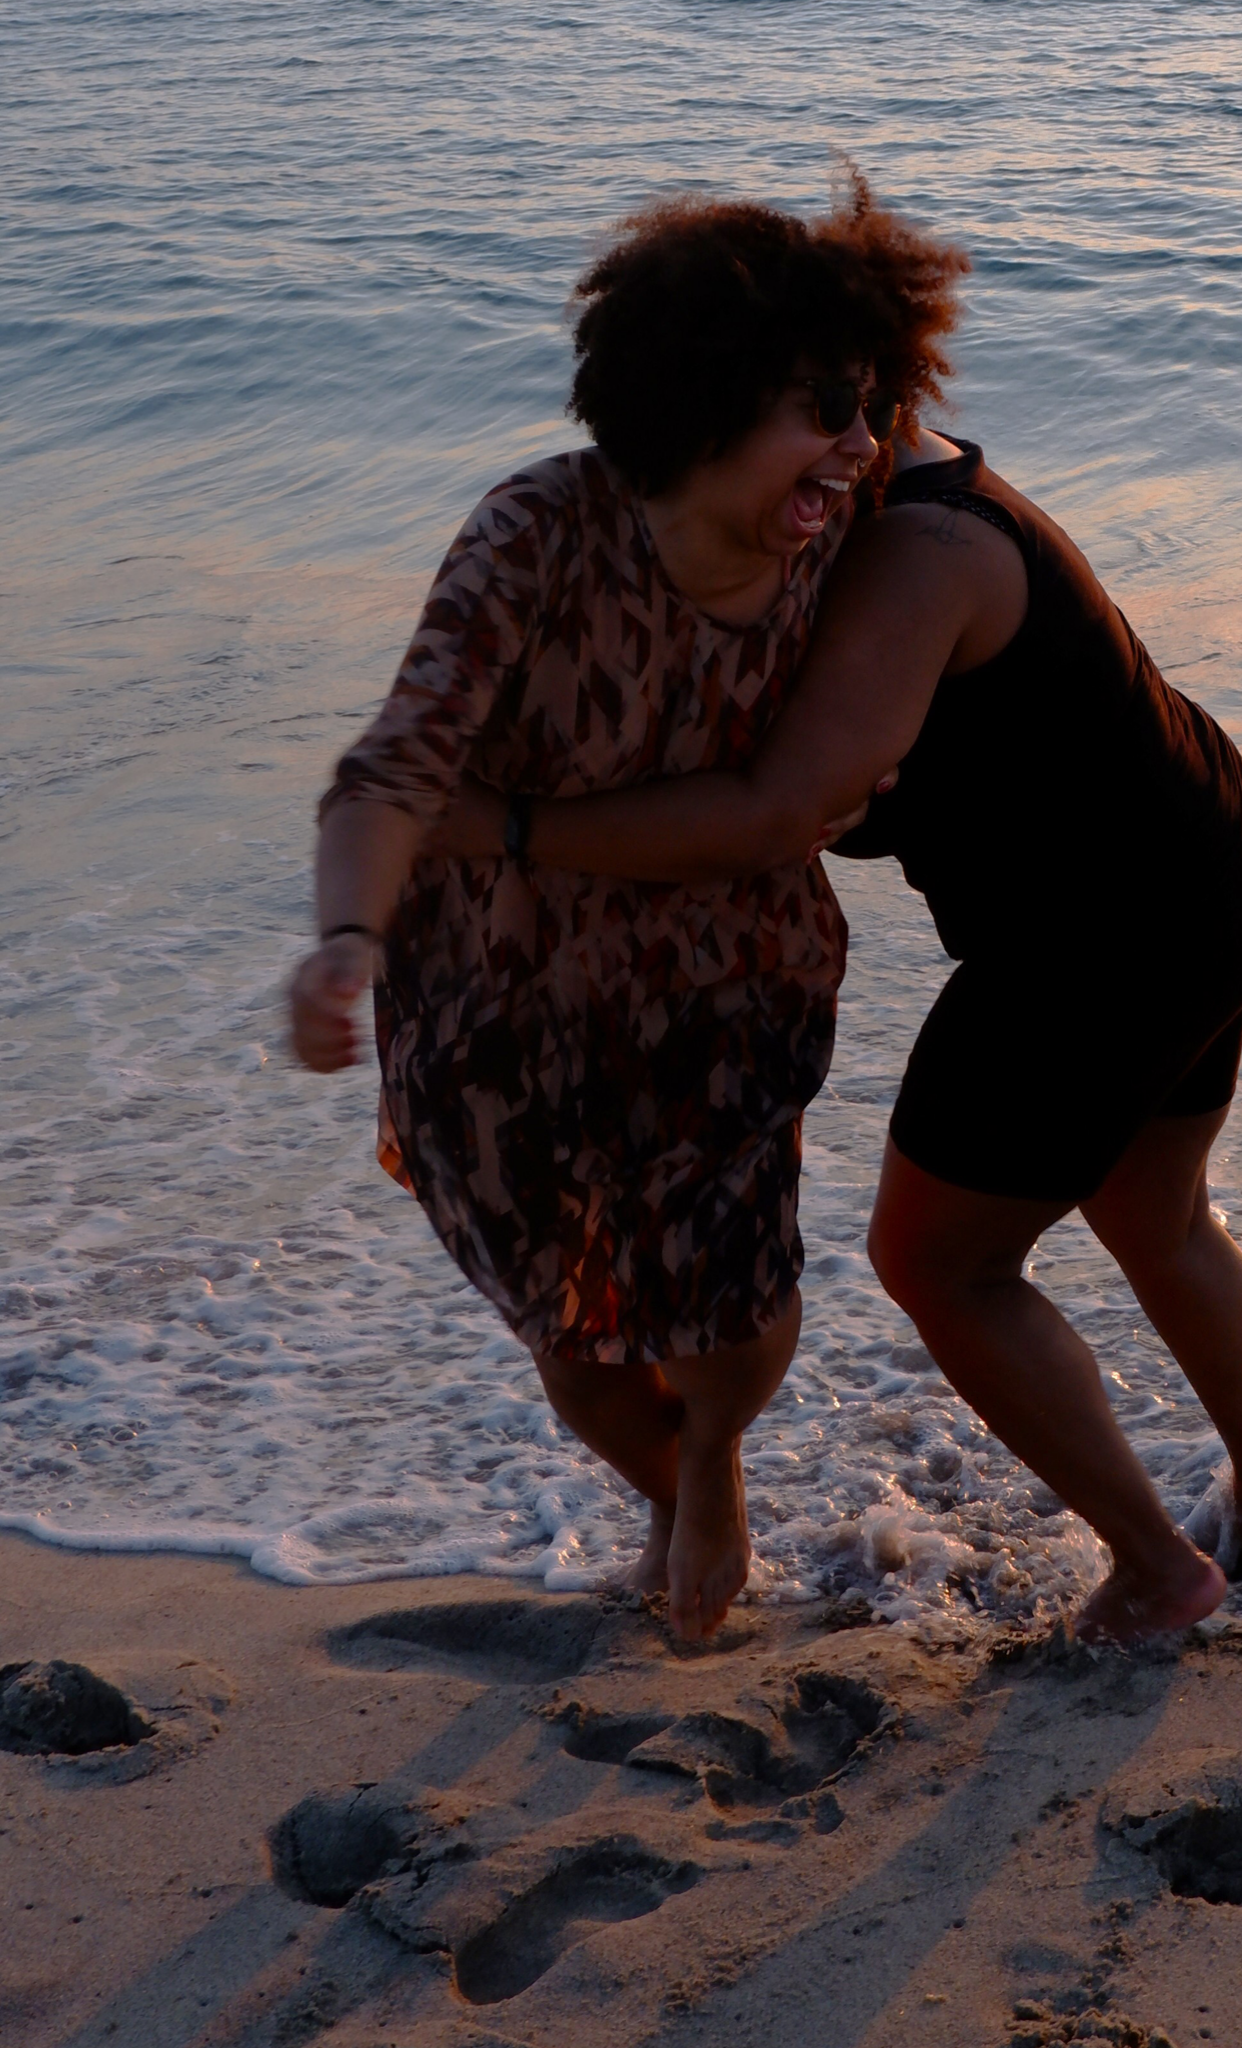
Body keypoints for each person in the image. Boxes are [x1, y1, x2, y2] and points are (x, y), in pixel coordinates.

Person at [432, 322, 1242, 1642]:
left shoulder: (921, 555)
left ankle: (1157, 1568)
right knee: (1153, 1211)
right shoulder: (895, 504)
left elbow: (770, 813)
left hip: (1099, 933)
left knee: (937, 1263)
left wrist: (503, 828)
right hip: (1202, 861)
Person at [286, 182, 965, 1640]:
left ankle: (710, 1460)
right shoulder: (537, 534)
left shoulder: (834, 528)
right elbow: (393, 768)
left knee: (737, 1287)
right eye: (826, 407)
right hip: (498, 996)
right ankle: (663, 1484)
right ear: (701, 406)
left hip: (728, 968)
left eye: (871, 404)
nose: (860, 445)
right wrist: (346, 940)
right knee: (569, 1314)